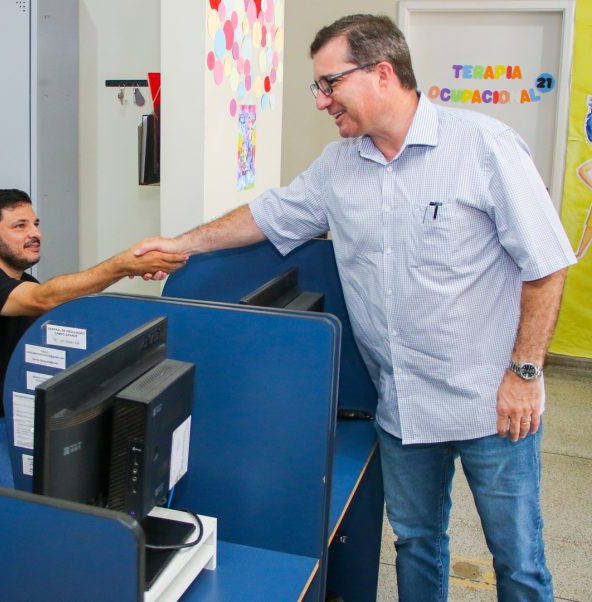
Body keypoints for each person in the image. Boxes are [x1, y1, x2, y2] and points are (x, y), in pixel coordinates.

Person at [137, 14, 575, 600]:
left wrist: (525, 373)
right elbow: (267, 216)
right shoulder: (339, 168)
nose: (321, 101)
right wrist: (179, 244)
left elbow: (547, 265)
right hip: (401, 403)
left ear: (382, 73)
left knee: (517, 560)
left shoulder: (484, 147)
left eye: (328, 83)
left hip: (493, 403)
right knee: (417, 542)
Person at [0, 189, 187, 488]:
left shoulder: (23, 283)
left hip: (19, 414)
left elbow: (61, 314)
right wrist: (122, 265)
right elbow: (44, 299)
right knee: (25, 503)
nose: (35, 233)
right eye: (20, 226)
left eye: (36, 224)